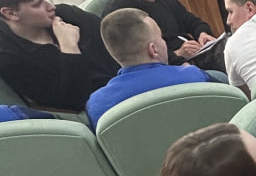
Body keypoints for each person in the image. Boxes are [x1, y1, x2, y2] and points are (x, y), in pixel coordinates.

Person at [0, 0, 116, 111]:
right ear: (11, 13)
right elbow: (74, 102)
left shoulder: (68, 14)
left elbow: (120, 43)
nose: (51, 7)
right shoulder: (8, 58)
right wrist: (69, 48)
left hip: (125, 84)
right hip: (99, 111)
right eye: (37, 4)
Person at [85, 8, 216, 128]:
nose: (164, 42)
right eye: (161, 38)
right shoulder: (193, 77)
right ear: (153, 49)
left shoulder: (97, 105)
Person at [102, 0, 222, 69]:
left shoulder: (163, 0)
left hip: (196, 57)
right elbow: (135, 62)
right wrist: (177, 55)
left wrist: (202, 34)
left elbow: (193, 22)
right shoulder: (116, 19)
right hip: (168, 69)